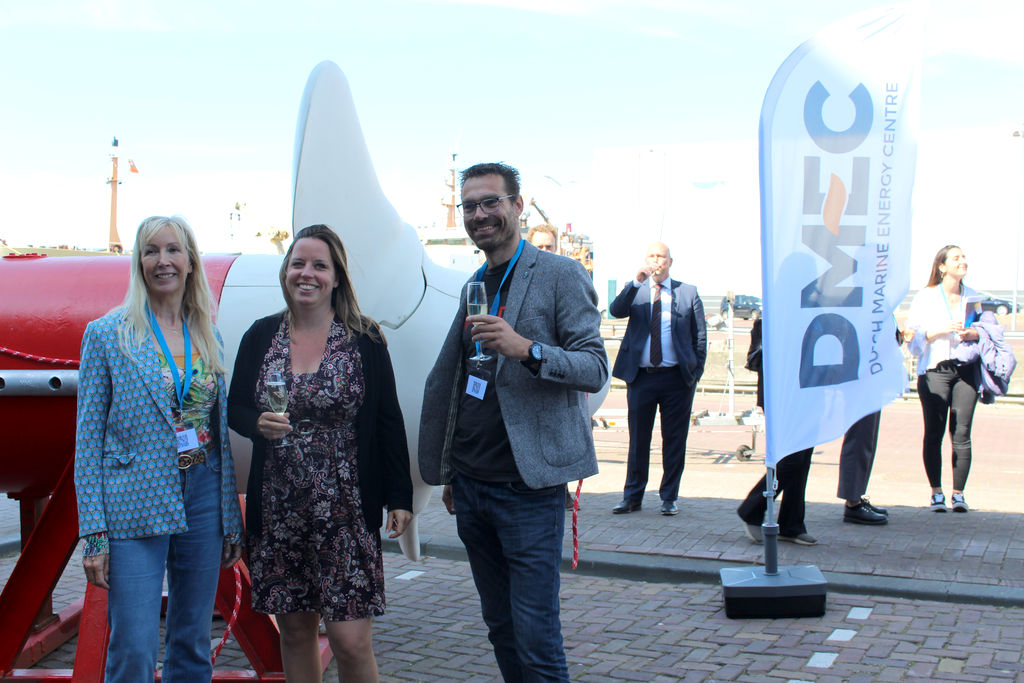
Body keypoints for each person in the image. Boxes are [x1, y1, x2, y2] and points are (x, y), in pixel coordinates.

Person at [419, 162, 608, 681]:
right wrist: (451, 469)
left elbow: (594, 368)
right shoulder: (474, 283)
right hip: (473, 486)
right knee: (501, 629)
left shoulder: (560, 275)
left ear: (517, 205)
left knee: (536, 636)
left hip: (528, 489)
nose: (480, 215)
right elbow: (462, 380)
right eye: (470, 206)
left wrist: (528, 350)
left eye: (491, 202)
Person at [228, 224, 413, 682]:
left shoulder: (363, 339)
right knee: (294, 634)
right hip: (279, 510)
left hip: (347, 512)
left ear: (336, 277)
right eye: (298, 263)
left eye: (319, 265)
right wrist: (256, 423)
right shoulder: (260, 335)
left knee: (351, 642)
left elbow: (388, 420)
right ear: (285, 271)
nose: (306, 273)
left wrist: (400, 497)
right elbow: (234, 407)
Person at [74, 215, 244, 682]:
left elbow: (218, 435)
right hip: (134, 503)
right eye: (151, 251)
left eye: (173, 250)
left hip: (202, 493)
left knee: (191, 639)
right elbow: (87, 445)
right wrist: (94, 535)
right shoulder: (108, 335)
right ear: (139, 262)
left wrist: (230, 517)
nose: (163, 261)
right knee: (133, 643)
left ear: (190, 262)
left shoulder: (206, 334)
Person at [609, 242, 706, 516]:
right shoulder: (637, 292)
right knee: (638, 439)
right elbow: (615, 311)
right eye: (651, 256)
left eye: (661, 256)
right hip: (642, 379)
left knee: (674, 440)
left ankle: (669, 497)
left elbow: (700, 337)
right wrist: (634, 282)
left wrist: (695, 373)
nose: (656, 261)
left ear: (670, 262)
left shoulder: (688, 293)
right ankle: (632, 496)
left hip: (677, 379)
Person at [905, 244, 980, 513]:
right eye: (957, 258)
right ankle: (936, 493)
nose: (963, 261)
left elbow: (987, 330)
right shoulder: (926, 297)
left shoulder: (973, 296)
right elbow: (912, 341)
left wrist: (974, 334)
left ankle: (958, 494)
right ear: (942, 266)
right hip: (935, 370)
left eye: (964, 257)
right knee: (934, 432)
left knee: (962, 432)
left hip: (966, 370)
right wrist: (936, 331)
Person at [736, 319, 816, 545]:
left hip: (809, 392)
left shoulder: (814, 315)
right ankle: (752, 507)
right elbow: (755, 359)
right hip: (781, 395)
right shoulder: (771, 316)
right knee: (791, 460)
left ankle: (792, 524)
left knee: (802, 461)